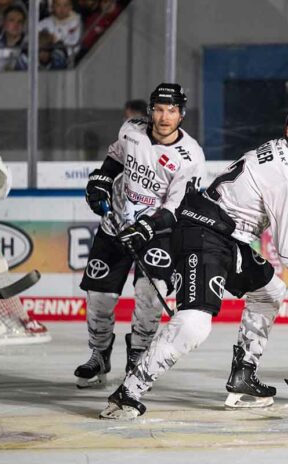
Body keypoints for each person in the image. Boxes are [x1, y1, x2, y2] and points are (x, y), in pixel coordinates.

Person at [99, 100, 288, 420]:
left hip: (221, 236)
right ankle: (127, 393)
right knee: (195, 323)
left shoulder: (283, 151)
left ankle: (243, 376)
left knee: (270, 292)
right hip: (203, 235)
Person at [74, 83, 206, 388]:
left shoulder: (191, 157)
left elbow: (176, 209)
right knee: (99, 297)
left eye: (171, 111)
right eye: (158, 109)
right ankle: (99, 355)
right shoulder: (131, 130)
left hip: (156, 234)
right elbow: (115, 160)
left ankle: (138, 355)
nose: (163, 117)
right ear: (150, 111)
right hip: (115, 227)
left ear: (181, 115)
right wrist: (100, 182)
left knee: (150, 294)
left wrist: (145, 227)